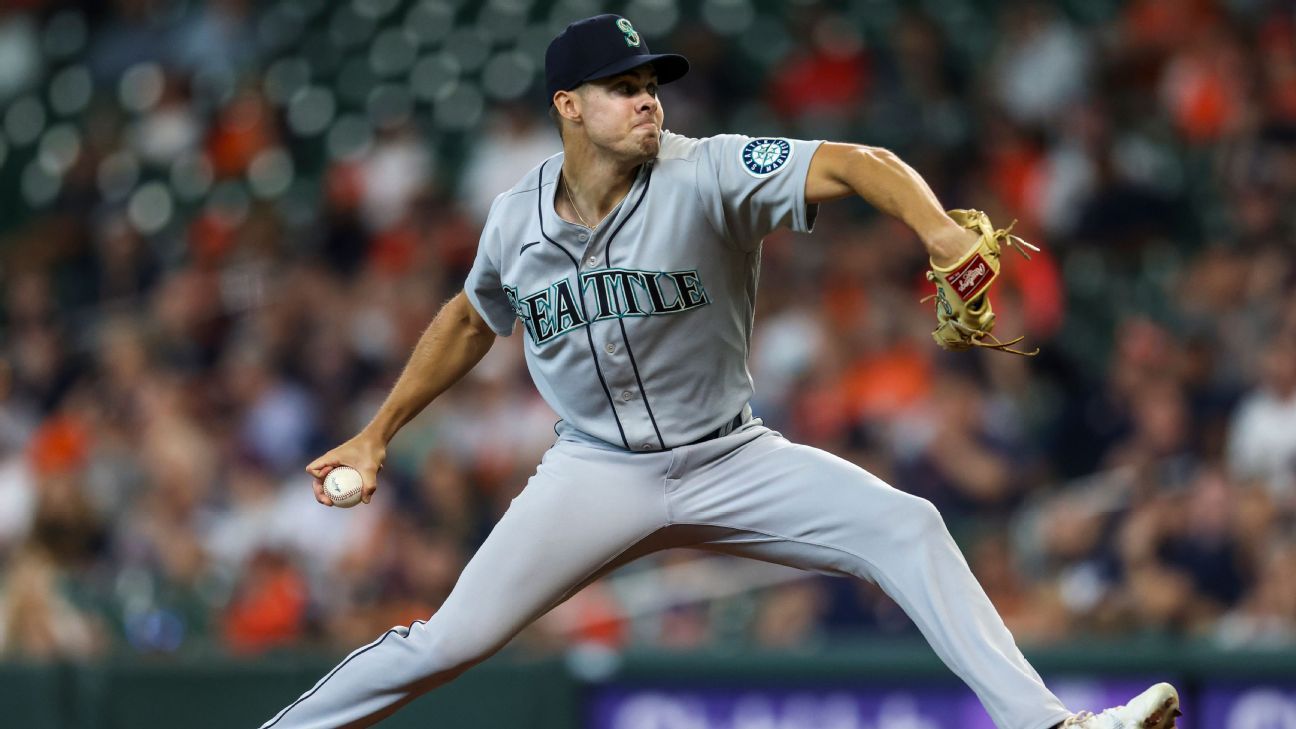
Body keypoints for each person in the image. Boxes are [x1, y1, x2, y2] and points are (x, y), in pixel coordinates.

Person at [260, 15, 1181, 729]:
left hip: (731, 457)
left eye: (651, 83)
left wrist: (938, 229)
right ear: (567, 107)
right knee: (445, 643)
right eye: (621, 88)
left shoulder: (710, 173)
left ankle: (1049, 723)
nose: (648, 100)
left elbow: (856, 164)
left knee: (908, 523)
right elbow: (470, 316)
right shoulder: (514, 219)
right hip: (593, 471)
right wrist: (377, 435)